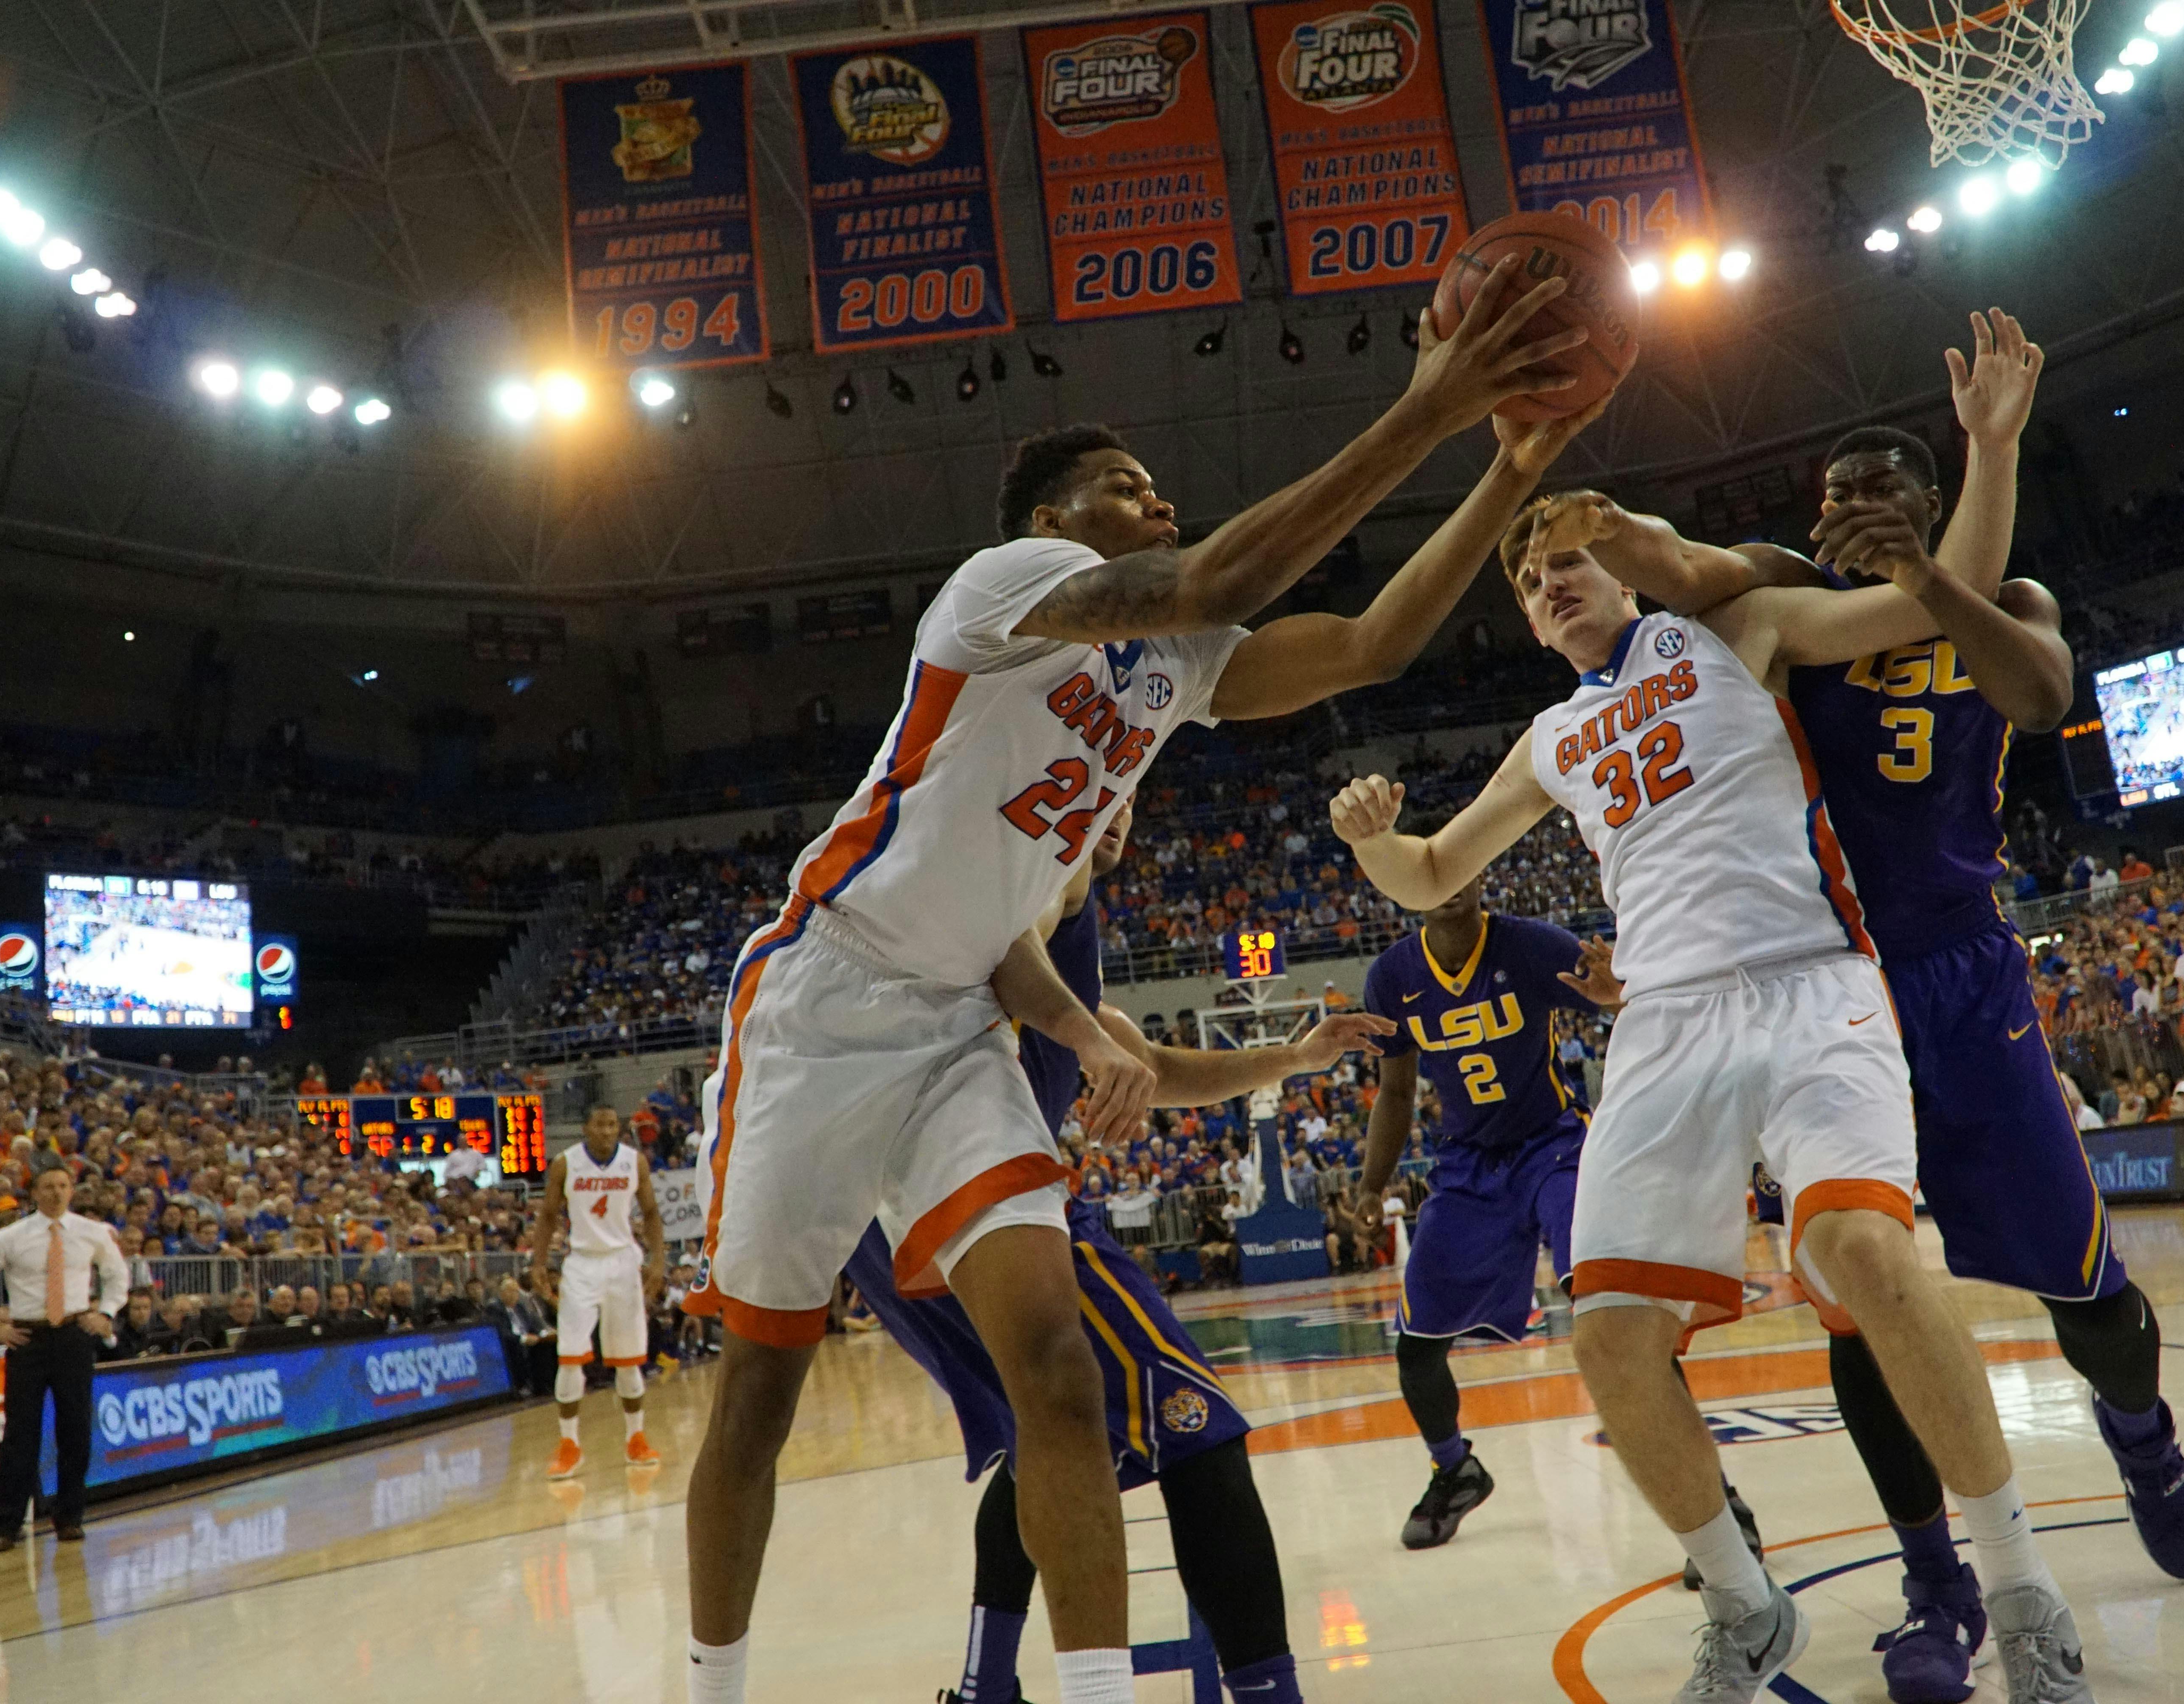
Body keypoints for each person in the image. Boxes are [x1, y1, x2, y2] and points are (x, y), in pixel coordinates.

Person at [677, 258, 1599, 1704]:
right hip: (822, 1002)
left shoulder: (1176, 663)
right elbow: (1218, 573)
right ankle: (710, 1686)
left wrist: (1506, 466)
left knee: (1061, 1368)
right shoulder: (1012, 588)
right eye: (1128, 482)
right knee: (761, 1391)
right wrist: (1427, 409)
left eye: (1158, 487)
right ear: (1057, 524)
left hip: (957, 1034)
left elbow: (1370, 645)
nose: (1157, 500)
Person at [1329, 482, 2092, 1702]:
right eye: (1532, 582)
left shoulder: (1741, 632)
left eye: (1572, 560)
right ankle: (1742, 1606)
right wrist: (1372, 838)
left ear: (1626, 575)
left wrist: (1994, 448)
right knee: (1611, 1338)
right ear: (1528, 626)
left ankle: (2022, 1592)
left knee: (1868, 1257)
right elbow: (1430, 872)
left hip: (1809, 988)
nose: (1553, 582)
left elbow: (1916, 606)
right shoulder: (1549, 741)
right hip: (1666, 1027)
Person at [1749, 315, 2184, 1696]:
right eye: (1828, 495)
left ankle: (2144, 1439)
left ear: (1938, 506)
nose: (1842, 513)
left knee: (2084, 1289)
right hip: (1830, 991)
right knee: (1861, 1302)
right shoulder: (1780, 605)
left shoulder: (2013, 604)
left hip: (1964, 970)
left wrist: (1961, 516)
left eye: (1875, 492)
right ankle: (1937, 1588)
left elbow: (2042, 691)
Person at [850, 806, 1393, 1704]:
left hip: (902, 1222)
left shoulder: (1061, 963)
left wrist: (1292, 1057)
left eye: (1128, 795)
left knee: (1043, 1441)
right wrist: (1093, 1037)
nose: (1113, 809)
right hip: (968, 1201)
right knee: (1201, 1433)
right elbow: (1044, 958)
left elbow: (1157, 1064)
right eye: (1098, 788)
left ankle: (987, 1686)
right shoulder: (1040, 880)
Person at [1356, 864, 1599, 1549]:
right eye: (1430, 868)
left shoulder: (1531, 945)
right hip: (1468, 1166)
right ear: (1406, 890)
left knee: (1611, 1317)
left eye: (1461, 862)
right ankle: (1454, 1468)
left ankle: (1715, 1505)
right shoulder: (1391, 977)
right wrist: (1374, 1185)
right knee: (1416, 1347)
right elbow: (1397, 1093)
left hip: (1555, 1147)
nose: (1448, 878)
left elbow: (1625, 1001)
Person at [0, 1166, 127, 1550]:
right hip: (27, 1338)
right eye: (48, 1186)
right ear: (35, 1192)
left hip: (73, 1334)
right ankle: (7, 1524)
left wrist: (107, 1313)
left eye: (63, 1186)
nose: (56, 1193)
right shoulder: (10, 1237)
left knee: (76, 1428)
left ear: (72, 1191)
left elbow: (118, 1276)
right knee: (20, 1434)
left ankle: (70, 1517)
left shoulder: (92, 1232)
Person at [529, 1105, 668, 1477]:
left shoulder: (634, 1162)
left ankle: (636, 1440)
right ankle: (569, 1444)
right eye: (600, 1125)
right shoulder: (565, 1163)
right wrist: (539, 1263)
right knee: (571, 1356)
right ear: (586, 1128)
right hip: (582, 1264)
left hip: (623, 1262)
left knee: (629, 1361)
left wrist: (658, 1262)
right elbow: (547, 1216)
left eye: (613, 1125)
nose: (608, 1132)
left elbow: (652, 1212)